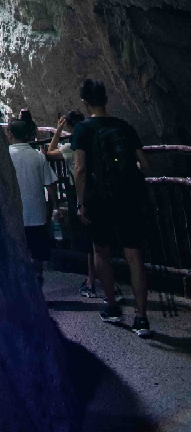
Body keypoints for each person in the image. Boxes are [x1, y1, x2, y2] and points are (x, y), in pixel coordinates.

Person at [71, 78, 151, 336]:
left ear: (85, 102)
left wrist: (81, 202)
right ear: (106, 99)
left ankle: (113, 306)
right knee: (134, 253)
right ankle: (141, 318)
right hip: (127, 196)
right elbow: (144, 164)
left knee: (101, 251)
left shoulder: (82, 130)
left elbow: (80, 169)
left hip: (98, 198)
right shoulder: (124, 126)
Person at [46, 110, 109, 299]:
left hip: (81, 192)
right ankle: (108, 282)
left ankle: (92, 281)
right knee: (101, 239)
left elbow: (49, 152)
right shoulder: (95, 141)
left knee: (90, 240)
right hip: (102, 189)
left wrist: (57, 130)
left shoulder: (72, 147)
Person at [7, 118, 58, 282]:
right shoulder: (38, 156)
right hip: (37, 213)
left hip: (14, 214)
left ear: (10, 134)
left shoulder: (6, 156)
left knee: (19, 251)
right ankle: (38, 280)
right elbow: (50, 186)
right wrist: (54, 208)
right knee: (38, 253)